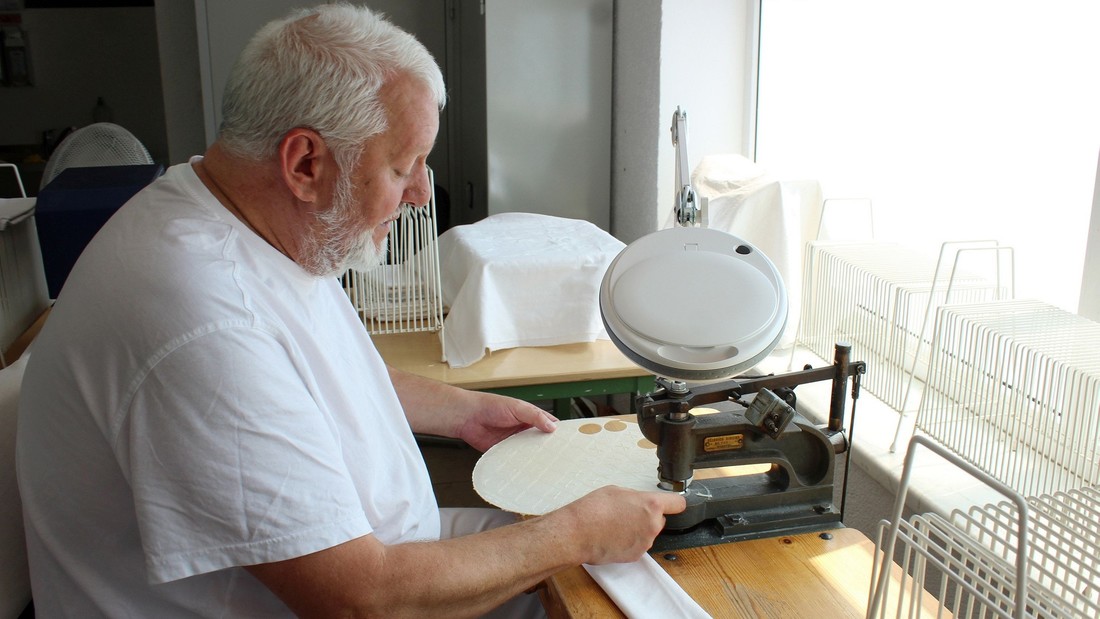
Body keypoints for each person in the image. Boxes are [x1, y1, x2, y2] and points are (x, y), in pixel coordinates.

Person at [15, 4, 686, 617]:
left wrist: (459, 410)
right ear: (305, 162)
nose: (424, 192)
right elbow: (359, 598)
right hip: (362, 591)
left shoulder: (249, 218)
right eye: (404, 165)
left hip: (380, 556)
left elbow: (301, 374)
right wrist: (571, 533)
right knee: (605, 574)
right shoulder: (201, 318)